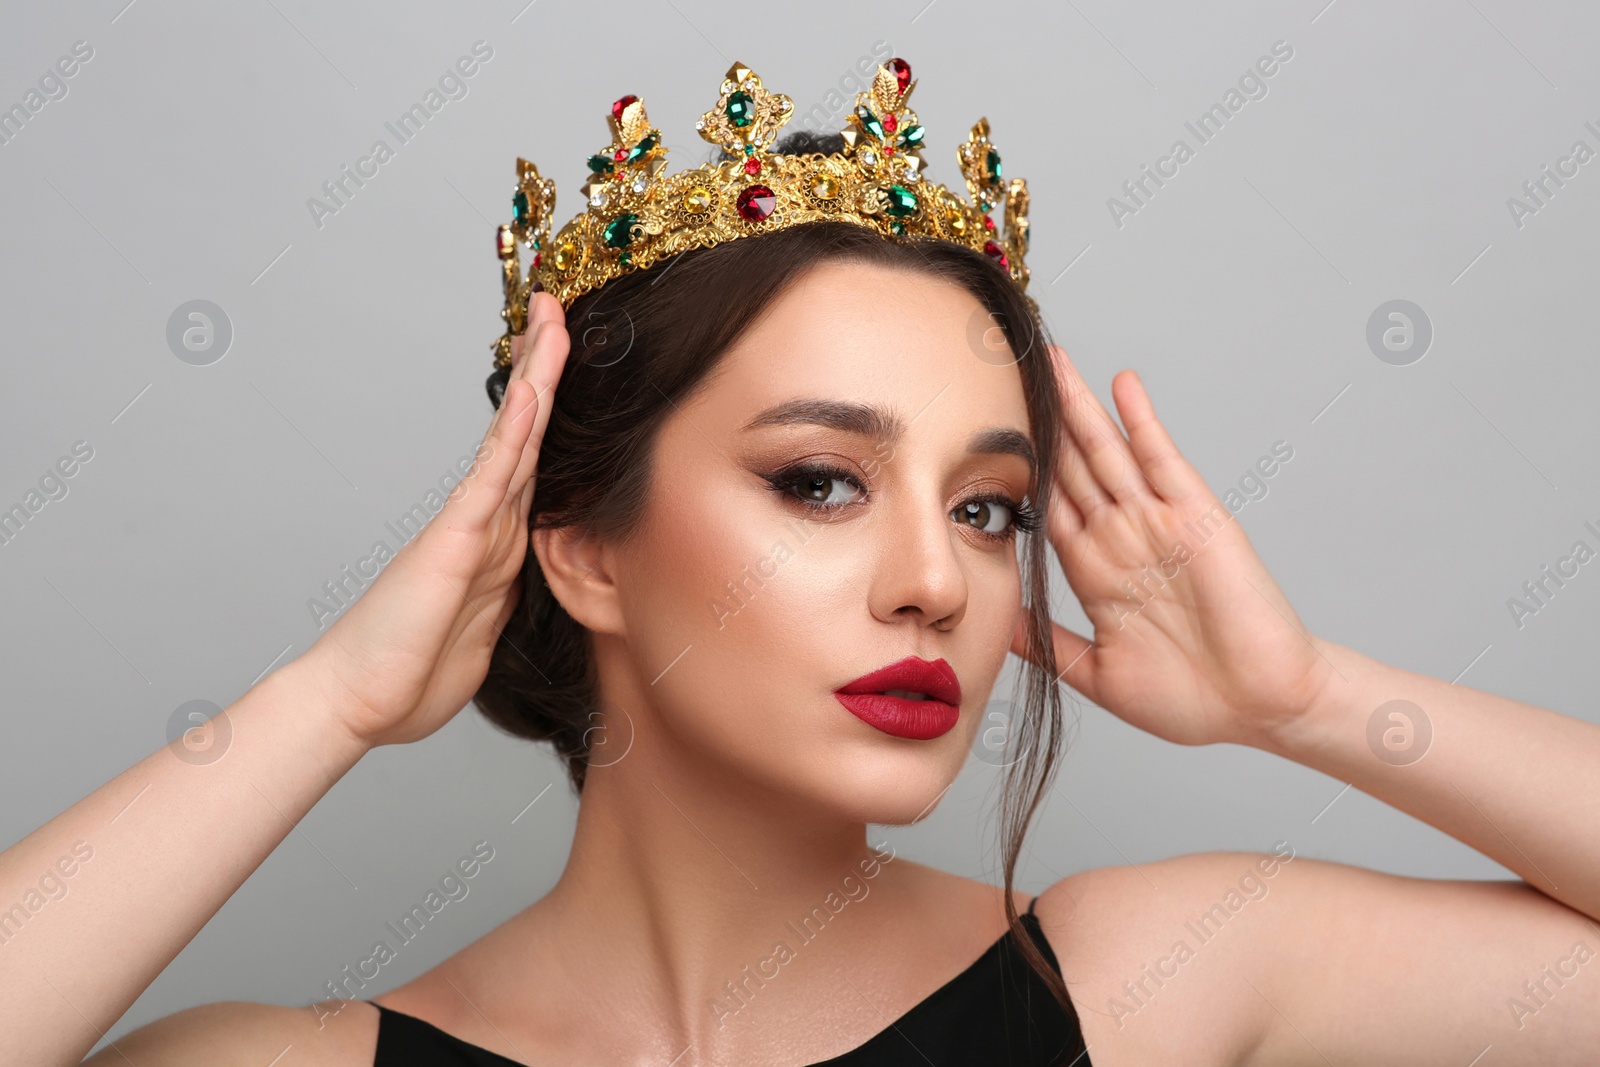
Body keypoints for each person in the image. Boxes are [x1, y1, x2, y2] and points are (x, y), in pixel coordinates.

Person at [5, 57, 1598, 1067]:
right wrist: (326, 705)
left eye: (990, 507)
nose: (940, 582)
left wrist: (1303, 700)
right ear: (584, 552)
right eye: (823, 481)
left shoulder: (1150, 984)